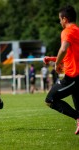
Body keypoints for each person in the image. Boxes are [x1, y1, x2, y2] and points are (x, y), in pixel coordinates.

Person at [45, 5, 79, 135]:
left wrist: (56, 64)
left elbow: (63, 49)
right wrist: (53, 59)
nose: (60, 22)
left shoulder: (67, 31)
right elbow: (71, 55)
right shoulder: (77, 31)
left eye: (60, 19)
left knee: (50, 99)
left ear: (64, 19)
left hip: (73, 77)